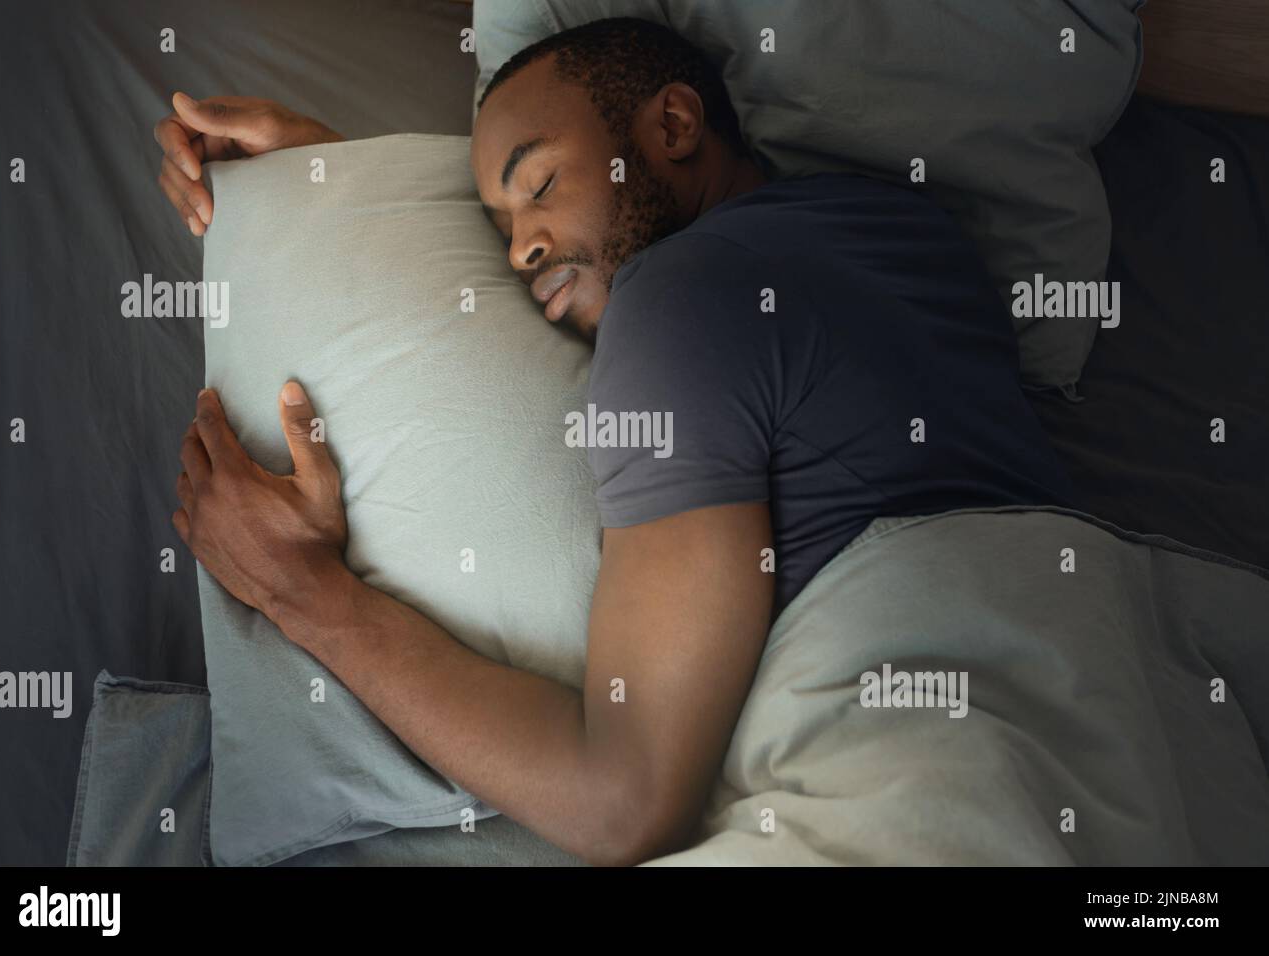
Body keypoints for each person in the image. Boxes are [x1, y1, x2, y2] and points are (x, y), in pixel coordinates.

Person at [156, 17, 1071, 866]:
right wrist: (337, 194)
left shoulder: (675, 300)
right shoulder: (907, 229)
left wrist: (300, 591)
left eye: (539, 184)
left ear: (674, 124)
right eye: (500, 227)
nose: (517, 252)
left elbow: (625, 801)